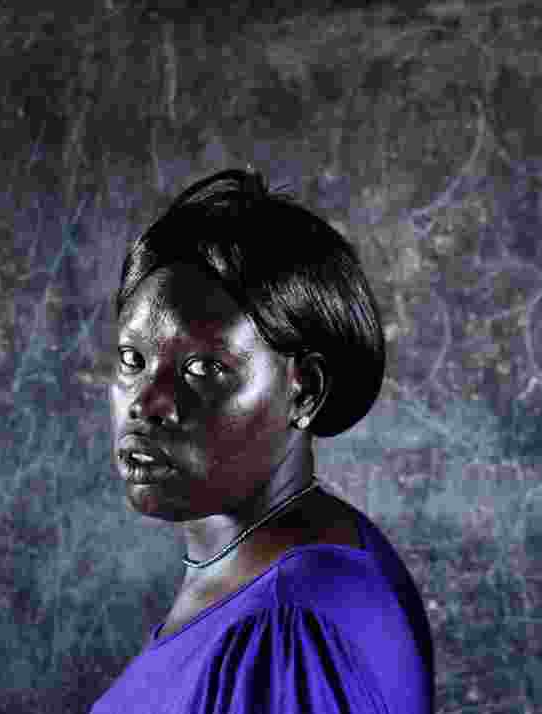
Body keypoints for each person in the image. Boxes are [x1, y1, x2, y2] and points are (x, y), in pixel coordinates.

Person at [91, 168, 434, 713]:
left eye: (204, 368)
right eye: (133, 359)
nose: (146, 402)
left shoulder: (289, 627)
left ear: (305, 390)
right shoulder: (262, 565)